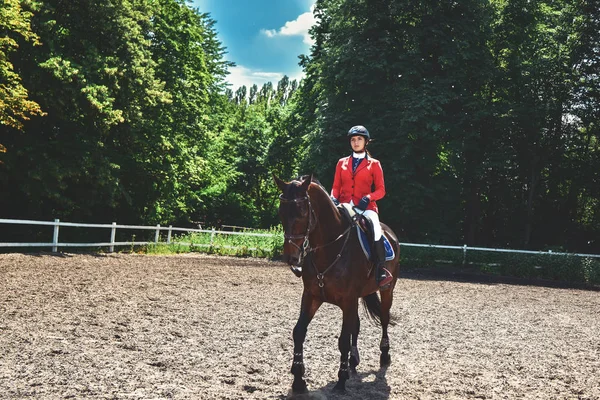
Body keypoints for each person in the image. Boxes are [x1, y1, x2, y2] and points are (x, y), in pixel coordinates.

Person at [330, 125, 392, 287]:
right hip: (344, 205)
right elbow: (336, 186)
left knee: (376, 230)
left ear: (366, 142)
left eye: (359, 139)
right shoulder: (341, 163)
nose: (356, 142)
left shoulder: (374, 164)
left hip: (366, 207)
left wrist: (368, 197)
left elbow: (381, 190)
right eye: (353, 140)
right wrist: (333, 198)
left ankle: (381, 270)